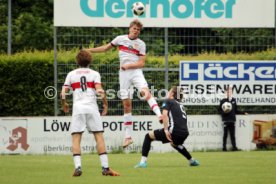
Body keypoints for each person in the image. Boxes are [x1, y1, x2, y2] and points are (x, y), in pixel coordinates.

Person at [84, 19, 162, 148]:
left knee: (145, 92)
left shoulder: (141, 44)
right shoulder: (120, 39)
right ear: (130, 28)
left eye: (138, 30)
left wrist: (129, 65)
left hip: (135, 72)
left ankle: (159, 115)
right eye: (134, 28)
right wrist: (89, 50)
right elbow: (105, 48)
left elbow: (142, 63)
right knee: (126, 105)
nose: (136, 31)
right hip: (123, 75)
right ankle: (127, 137)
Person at [61, 50, 120, 176]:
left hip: (78, 109)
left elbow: (63, 92)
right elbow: (100, 91)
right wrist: (105, 103)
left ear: (77, 61)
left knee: (76, 137)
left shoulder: (71, 74)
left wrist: (64, 103)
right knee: (98, 136)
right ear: (90, 61)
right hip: (92, 108)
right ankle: (105, 168)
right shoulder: (94, 74)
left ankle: (78, 167)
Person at [134, 86, 199, 168]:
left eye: (169, 91)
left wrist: (165, 130)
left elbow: (165, 115)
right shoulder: (180, 105)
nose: (168, 93)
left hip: (174, 131)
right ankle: (192, 161)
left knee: (148, 136)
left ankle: (143, 163)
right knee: (174, 144)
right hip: (184, 133)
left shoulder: (169, 101)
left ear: (172, 93)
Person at [218, 85, 248, 151]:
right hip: (226, 120)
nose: (229, 93)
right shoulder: (223, 101)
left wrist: (243, 113)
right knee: (225, 135)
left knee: (233, 135)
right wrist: (224, 112)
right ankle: (224, 148)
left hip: (232, 120)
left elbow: (236, 110)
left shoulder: (234, 100)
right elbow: (219, 110)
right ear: (226, 93)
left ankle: (234, 147)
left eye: (230, 92)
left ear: (232, 93)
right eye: (228, 92)